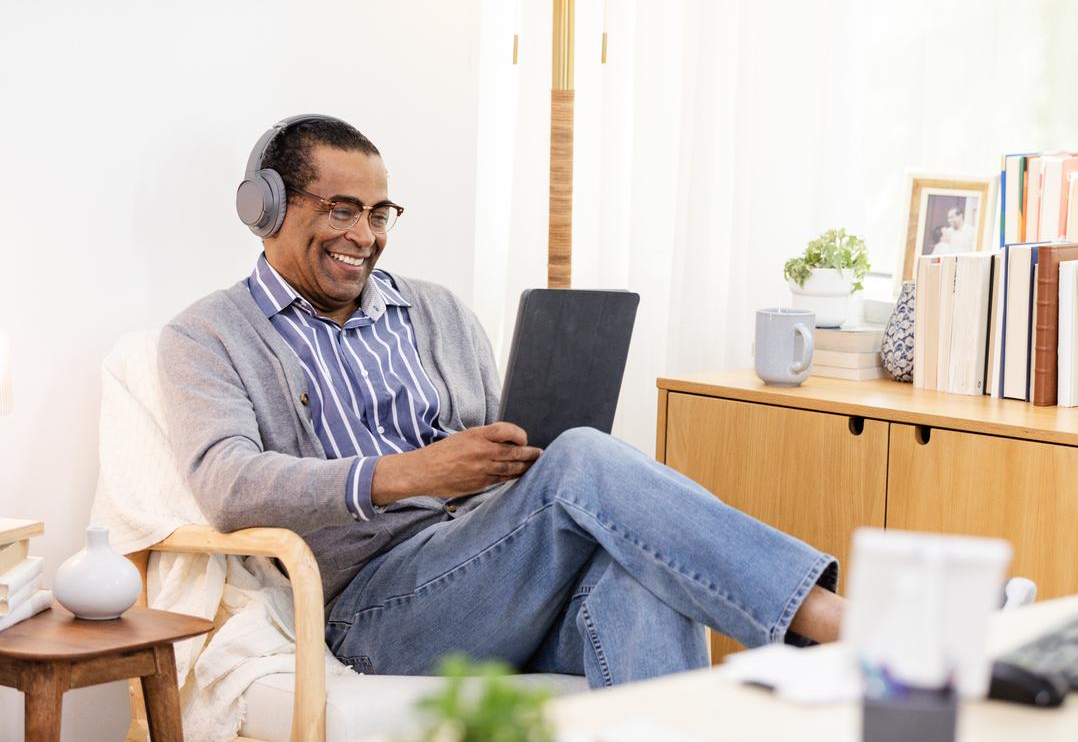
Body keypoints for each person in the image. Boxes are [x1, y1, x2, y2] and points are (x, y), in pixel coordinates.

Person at [159, 115, 843, 686]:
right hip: (379, 613)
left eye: (378, 213)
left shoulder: (437, 310)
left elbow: (503, 464)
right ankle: (826, 621)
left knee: (645, 577)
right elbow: (228, 485)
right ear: (266, 208)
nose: (363, 236)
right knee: (581, 460)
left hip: (502, 581)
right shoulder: (209, 334)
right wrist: (412, 474)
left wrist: (512, 461)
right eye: (340, 210)